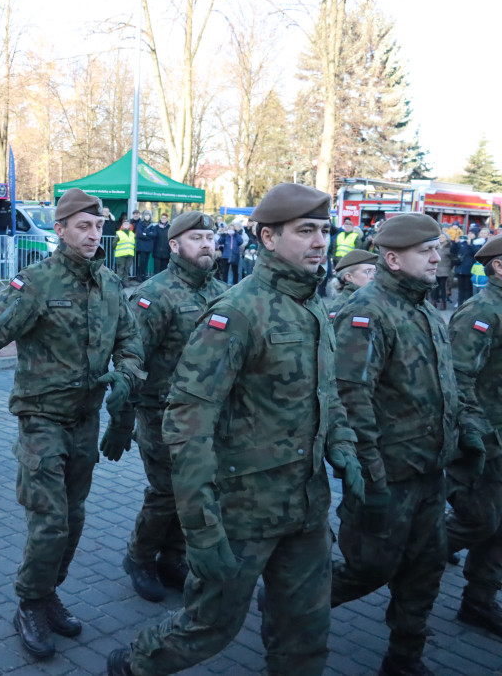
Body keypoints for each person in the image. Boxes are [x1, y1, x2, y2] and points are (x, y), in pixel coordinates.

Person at [108, 183, 363, 676]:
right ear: (268, 238)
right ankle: (135, 664)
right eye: (305, 231)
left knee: (307, 635)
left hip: (307, 508)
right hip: (245, 509)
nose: (320, 242)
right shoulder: (238, 312)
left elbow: (326, 395)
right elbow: (188, 421)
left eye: (325, 231)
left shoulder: (313, 307)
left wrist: (344, 448)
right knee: (210, 627)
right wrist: (202, 529)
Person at [0, 188, 145, 660]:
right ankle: (29, 602)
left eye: (98, 227)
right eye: (83, 227)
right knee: (50, 522)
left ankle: (49, 592)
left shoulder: (110, 285)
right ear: (62, 229)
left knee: (74, 518)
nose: (93, 235)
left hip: (86, 421)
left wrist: (125, 388)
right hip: (42, 419)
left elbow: (131, 343)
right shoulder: (37, 283)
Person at [331, 213, 481, 676]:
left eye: (438, 249)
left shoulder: (423, 309)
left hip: (429, 470)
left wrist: (466, 432)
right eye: (426, 251)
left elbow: (446, 382)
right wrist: (370, 481)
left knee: (426, 568)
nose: (438, 257)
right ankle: (293, 602)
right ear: (393, 259)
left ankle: (405, 657)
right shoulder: (368, 312)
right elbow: (352, 402)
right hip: (389, 475)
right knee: (368, 569)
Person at [103, 211, 227, 603]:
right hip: (161, 413)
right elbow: (131, 359)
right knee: (165, 492)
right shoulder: (154, 294)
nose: (206, 244)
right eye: (196, 238)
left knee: (193, 491)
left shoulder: (221, 292)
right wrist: (122, 421)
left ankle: (173, 557)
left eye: (209, 237)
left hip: (207, 415)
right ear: (174, 246)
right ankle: (139, 557)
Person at [446, 234, 502, 639]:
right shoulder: (482, 310)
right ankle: (414, 558)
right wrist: (476, 434)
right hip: (487, 440)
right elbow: (457, 378)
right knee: (480, 521)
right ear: (498, 266)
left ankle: (479, 601)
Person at [327, 248, 378, 319]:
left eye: (375, 272)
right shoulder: (342, 307)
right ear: (348, 277)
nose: (373, 276)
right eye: (367, 271)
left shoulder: (372, 300)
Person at [452, 234, 476, 305]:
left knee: (468, 287)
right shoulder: (461, 243)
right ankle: (460, 302)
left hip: (469, 269)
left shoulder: (474, 243)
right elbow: (453, 251)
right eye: (469, 234)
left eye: (472, 234)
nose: (469, 236)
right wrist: (455, 243)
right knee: (460, 287)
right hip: (460, 268)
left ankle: (467, 302)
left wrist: (470, 244)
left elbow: (475, 253)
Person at [135, 210, 158, 282]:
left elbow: (154, 234)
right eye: (146, 215)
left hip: (148, 247)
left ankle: (143, 276)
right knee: (141, 262)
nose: (147, 216)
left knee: (145, 263)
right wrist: (148, 236)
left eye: (148, 215)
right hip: (141, 247)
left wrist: (146, 234)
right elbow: (139, 234)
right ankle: (139, 276)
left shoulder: (152, 225)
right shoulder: (140, 224)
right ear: (143, 216)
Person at [434, 232, 454, 309]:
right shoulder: (436, 246)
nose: (441, 238)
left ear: (446, 238)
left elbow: (452, 258)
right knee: (435, 287)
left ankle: (443, 303)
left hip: (445, 270)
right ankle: (434, 302)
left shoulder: (450, 247)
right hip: (436, 269)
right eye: (440, 237)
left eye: (443, 237)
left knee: (443, 287)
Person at [114, 217, 136, 285]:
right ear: (122, 226)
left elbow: (134, 244)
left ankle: (125, 283)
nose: (126, 225)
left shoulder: (132, 234)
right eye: (125, 224)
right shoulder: (119, 233)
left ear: (129, 226)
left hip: (130, 254)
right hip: (121, 255)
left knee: (127, 270)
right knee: (120, 270)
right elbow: (114, 244)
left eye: (127, 224)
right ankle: (118, 284)